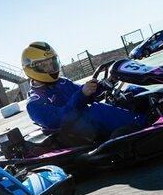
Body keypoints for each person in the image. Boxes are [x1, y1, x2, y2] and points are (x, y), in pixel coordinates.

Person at [21, 41, 156, 143]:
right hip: (73, 133)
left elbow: (89, 95)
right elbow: (58, 120)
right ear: (32, 68)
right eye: (45, 65)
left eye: (52, 63)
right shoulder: (34, 102)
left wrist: (108, 83)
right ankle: (148, 123)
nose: (51, 68)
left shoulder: (63, 82)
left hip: (88, 122)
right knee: (96, 110)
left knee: (127, 92)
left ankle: (160, 103)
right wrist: (81, 95)